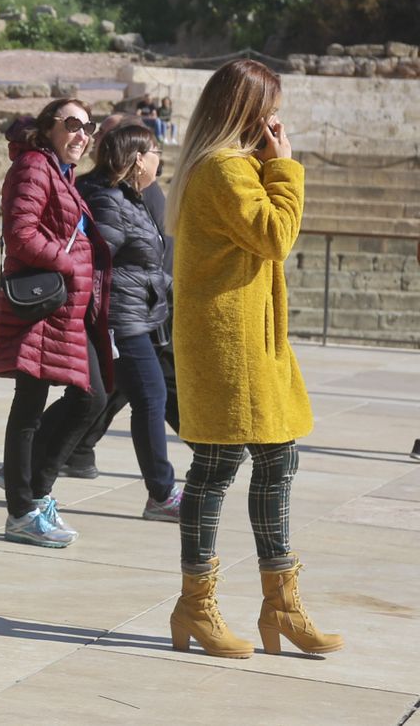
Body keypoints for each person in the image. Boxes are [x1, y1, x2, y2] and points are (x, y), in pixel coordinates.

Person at [166, 58, 341, 659]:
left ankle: (282, 606)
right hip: (228, 344)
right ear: (244, 110)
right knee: (215, 469)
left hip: (249, 340)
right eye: (267, 108)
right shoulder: (222, 169)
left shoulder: (224, 167)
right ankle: (196, 604)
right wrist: (285, 167)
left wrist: (269, 166)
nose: (274, 120)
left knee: (277, 458)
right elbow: (274, 235)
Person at [0, 99, 112, 548]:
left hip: (65, 309)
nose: (83, 134)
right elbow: (19, 231)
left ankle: (34, 492)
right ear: (48, 128)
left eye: (88, 127)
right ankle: (22, 510)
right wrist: (68, 265)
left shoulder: (59, 170)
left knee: (92, 397)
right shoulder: (35, 166)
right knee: (30, 408)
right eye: (73, 124)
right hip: (42, 304)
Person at [78, 123, 181, 522]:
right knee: (150, 397)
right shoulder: (109, 200)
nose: (160, 160)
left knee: (103, 398)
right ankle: (161, 493)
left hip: (137, 314)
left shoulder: (130, 196)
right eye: (156, 152)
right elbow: (96, 260)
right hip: (121, 319)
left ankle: (33, 471)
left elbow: (146, 260)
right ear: (139, 158)